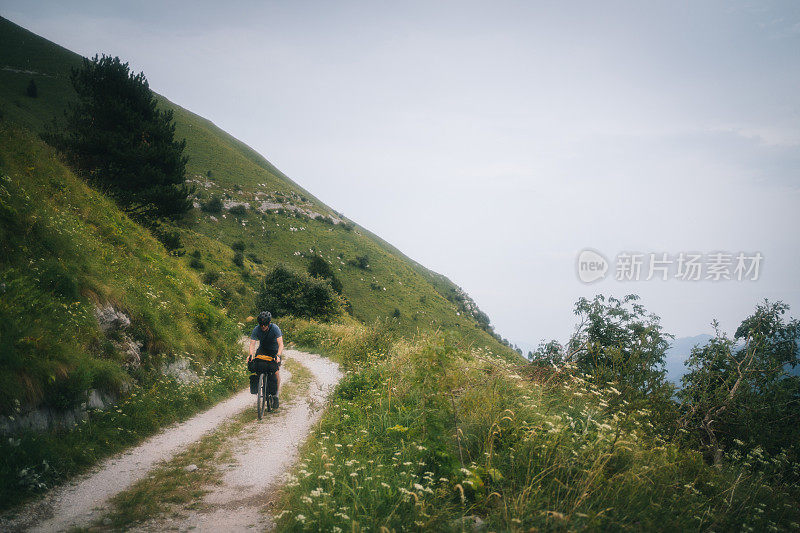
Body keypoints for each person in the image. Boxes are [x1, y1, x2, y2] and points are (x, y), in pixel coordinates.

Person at [248, 311, 284, 407]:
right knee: (257, 366)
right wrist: (251, 355)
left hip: (274, 351)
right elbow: (252, 344)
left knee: (275, 372)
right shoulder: (256, 329)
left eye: (265, 324)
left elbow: (281, 344)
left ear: (269, 323)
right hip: (263, 350)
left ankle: (276, 395)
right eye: (261, 324)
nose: (263, 326)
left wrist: (278, 355)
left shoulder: (275, 328)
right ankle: (260, 383)